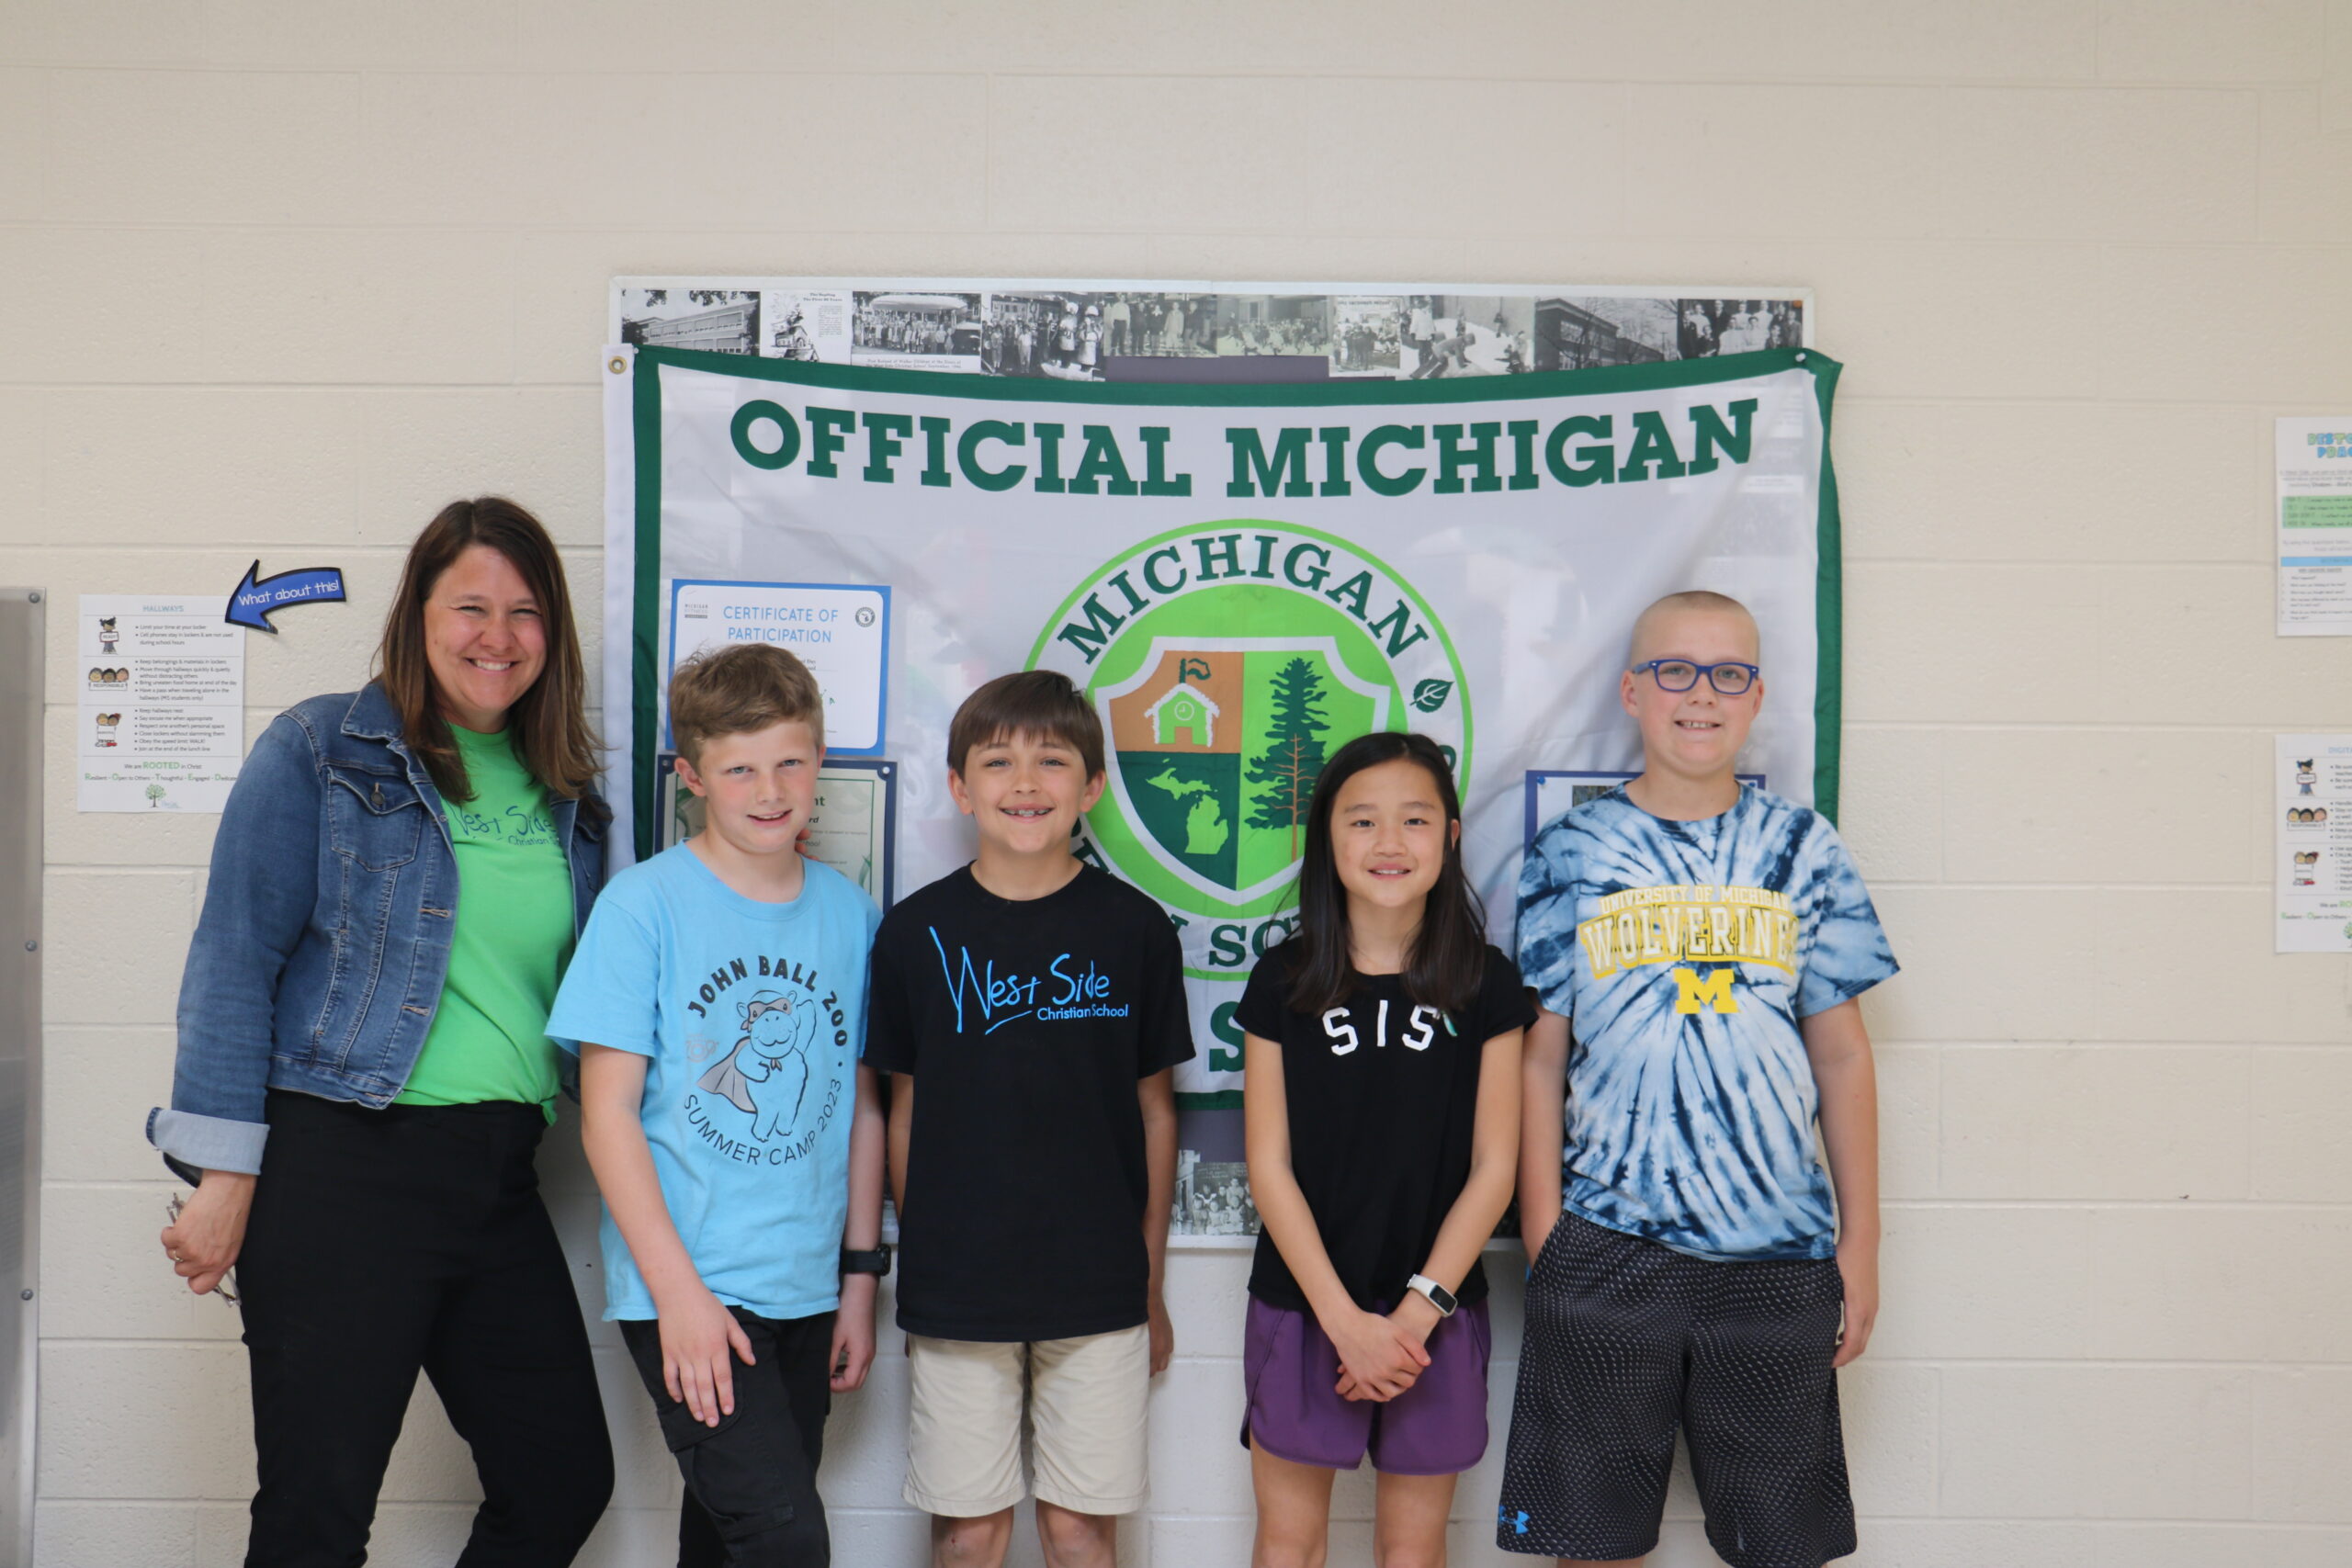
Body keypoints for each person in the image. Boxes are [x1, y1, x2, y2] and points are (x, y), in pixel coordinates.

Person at [152, 497, 616, 1566]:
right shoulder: (322, 750)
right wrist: (223, 1177)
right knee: (319, 1513)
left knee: (560, 1478)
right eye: (470, 607)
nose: (497, 636)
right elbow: (233, 957)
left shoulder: (570, 801)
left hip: (500, 1175)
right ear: (418, 618)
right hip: (342, 1168)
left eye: (525, 611)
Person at [1498, 589, 1899, 1568]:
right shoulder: (1570, 855)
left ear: (1756, 698)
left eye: (1727, 674)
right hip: (1605, 1244)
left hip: (1776, 1252)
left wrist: (1863, 1242)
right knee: (1592, 1545)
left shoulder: (1804, 850)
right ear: (1633, 691)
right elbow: (1537, 1056)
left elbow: (1842, 1053)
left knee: (1779, 1546)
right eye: (1675, 670)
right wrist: (1546, 1233)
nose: (1700, 695)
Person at [550, 643, 886, 1567]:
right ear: (693, 776)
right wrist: (679, 1299)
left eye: (790, 760)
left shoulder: (852, 918)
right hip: (690, 1288)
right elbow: (606, 1114)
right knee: (784, 1544)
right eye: (739, 768)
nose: (768, 788)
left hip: (808, 1286)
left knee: (728, 1544)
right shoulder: (641, 908)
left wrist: (859, 1280)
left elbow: (862, 1108)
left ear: (820, 763)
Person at [865, 670, 1193, 1568]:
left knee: (1080, 1532)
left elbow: (1155, 1114)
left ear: (1089, 787)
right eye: (998, 761)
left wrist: (1150, 1282)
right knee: (969, 1534)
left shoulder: (1135, 929)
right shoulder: (913, 933)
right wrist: (923, 1257)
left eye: (1052, 761)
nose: (1025, 782)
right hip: (958, 1289)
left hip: (1098, 1290)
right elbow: (902, 1113)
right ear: (960, 786)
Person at [1238, 731, 1530, 1568]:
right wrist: (1341, 1320)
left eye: (1414, 819)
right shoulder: (1285, 979)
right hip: (1304, 1306)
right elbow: (1269, 1165)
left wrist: (1411, 1316)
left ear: (1451, 836)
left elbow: (1494, 1168)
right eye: (1363, 821)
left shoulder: (1485, 981)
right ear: (1327, 838)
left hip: (1432, 1312)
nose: (1390, 843)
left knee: (1412, 1548)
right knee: (1289, 1544)